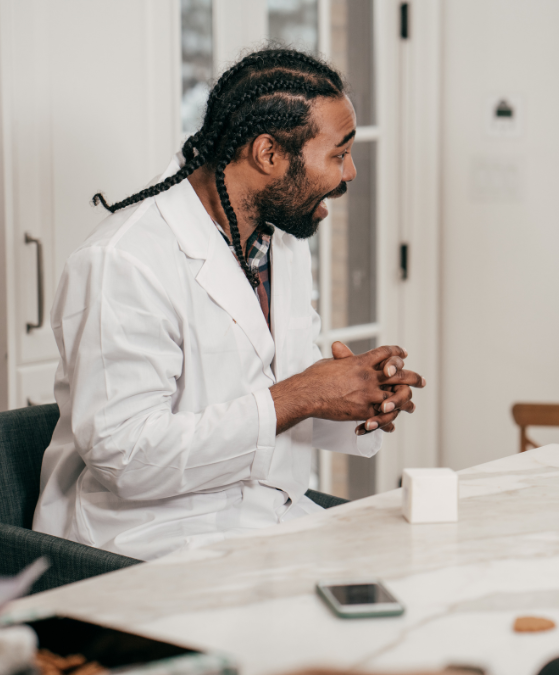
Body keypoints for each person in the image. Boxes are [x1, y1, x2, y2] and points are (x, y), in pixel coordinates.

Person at [33, 49, 425, 560]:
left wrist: (351, 396)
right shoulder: (121, 261)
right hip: (145, 541)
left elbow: (270, 390)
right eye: (337, 153)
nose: (349, 172)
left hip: (266, 517)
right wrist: (302, 394)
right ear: (268, 154)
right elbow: (125, 458)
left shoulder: (279, 241)